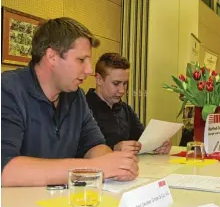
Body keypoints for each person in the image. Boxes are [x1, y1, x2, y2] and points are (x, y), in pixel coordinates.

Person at [1, 18, 138, 187]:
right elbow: (5, 170)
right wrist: (95, 168)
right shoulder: (7, 90)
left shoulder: (75, 96)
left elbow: (94, 146)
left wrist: (117, 165)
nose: (89, 70)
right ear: (52, 57)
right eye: (81, 60)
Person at [86, 53, 171, 154]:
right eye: (116, 83)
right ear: (99, 79)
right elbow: (78, 153)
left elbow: (142, 140)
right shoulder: (84, 109)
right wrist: (113, 149)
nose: (122, 90)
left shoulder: (125, 109)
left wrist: (158, 144)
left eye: (125, 83)